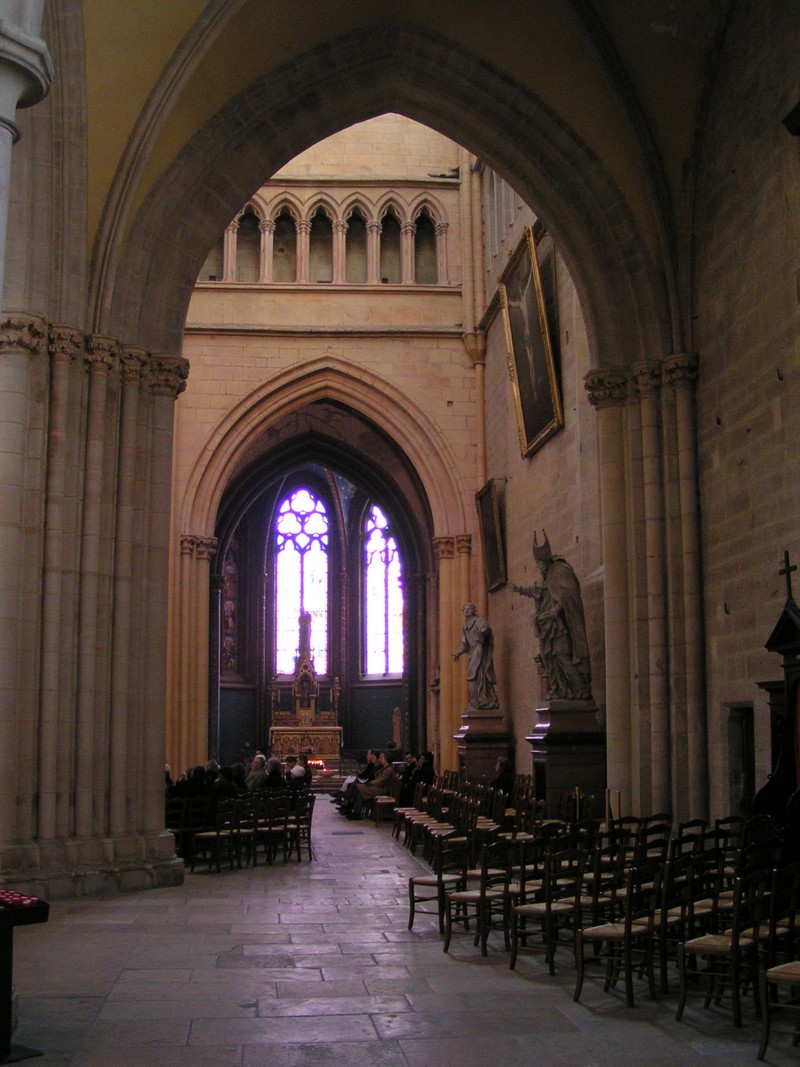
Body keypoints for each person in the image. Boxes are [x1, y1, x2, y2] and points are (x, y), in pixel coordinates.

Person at [512, 530, 592, 701]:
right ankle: (559, 690)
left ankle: (580, 690)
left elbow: (568, 595)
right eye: (537, 563)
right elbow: (536, 591)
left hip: (560, 628)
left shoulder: (561, 571)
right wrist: (518, 589)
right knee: (550, 660)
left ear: (546, 560)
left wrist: (557, 609)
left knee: (563, 657)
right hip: (548, 628)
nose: (538, 567)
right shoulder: (546, 577)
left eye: (539, 563)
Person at [453, 602, 499, 709]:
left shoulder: (479, 620)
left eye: (469, 608)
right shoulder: (465, 627)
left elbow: (486, 629)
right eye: (464, 609)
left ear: (473, 610)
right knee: (472, 677)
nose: (466, 611)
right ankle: (475, 701)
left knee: (479, 674)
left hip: (479, 650)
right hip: (472, 652)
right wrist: (457, 653)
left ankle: (483, 700)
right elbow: (465, 645)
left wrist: (484, 631)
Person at [349, 752, 396, 820]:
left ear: (386, 759)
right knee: (360, 793)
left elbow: (380, 781)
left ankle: (349, 805)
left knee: (357, 786)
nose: (379, 759)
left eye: (381, 758)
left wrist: (371, 783)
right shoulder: (385, 768)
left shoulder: (389, 770)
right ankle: (356, 813)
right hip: (378, 787)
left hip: (382, 790)